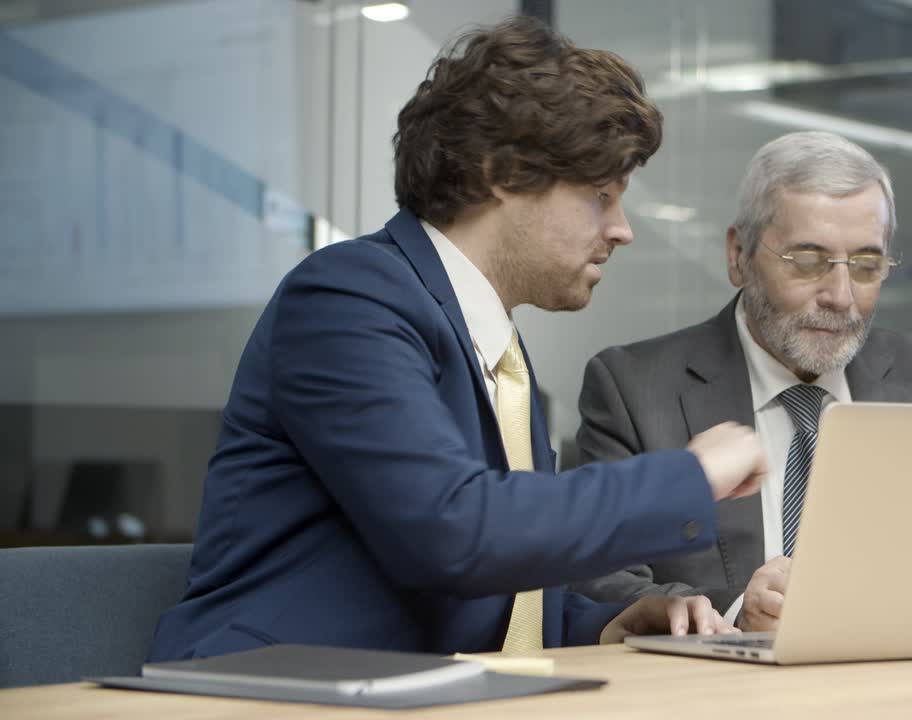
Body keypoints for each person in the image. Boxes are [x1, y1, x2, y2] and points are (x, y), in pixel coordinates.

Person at [149, 15, 768, 662]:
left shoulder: (496, 348)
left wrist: (607, 622)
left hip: (417, 691)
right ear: (505, 173)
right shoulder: (346, 297)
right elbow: (455, 533)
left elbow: (490, 594)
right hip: (266, 690)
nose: (622, 229)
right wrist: (689, 476)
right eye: (601, 195)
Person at [571, 130, 912, 633]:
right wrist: (740, 613)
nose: (841, 296)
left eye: (866, 265)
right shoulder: (634, 387)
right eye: (809, 261)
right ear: (739, 255)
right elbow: (600, 583)